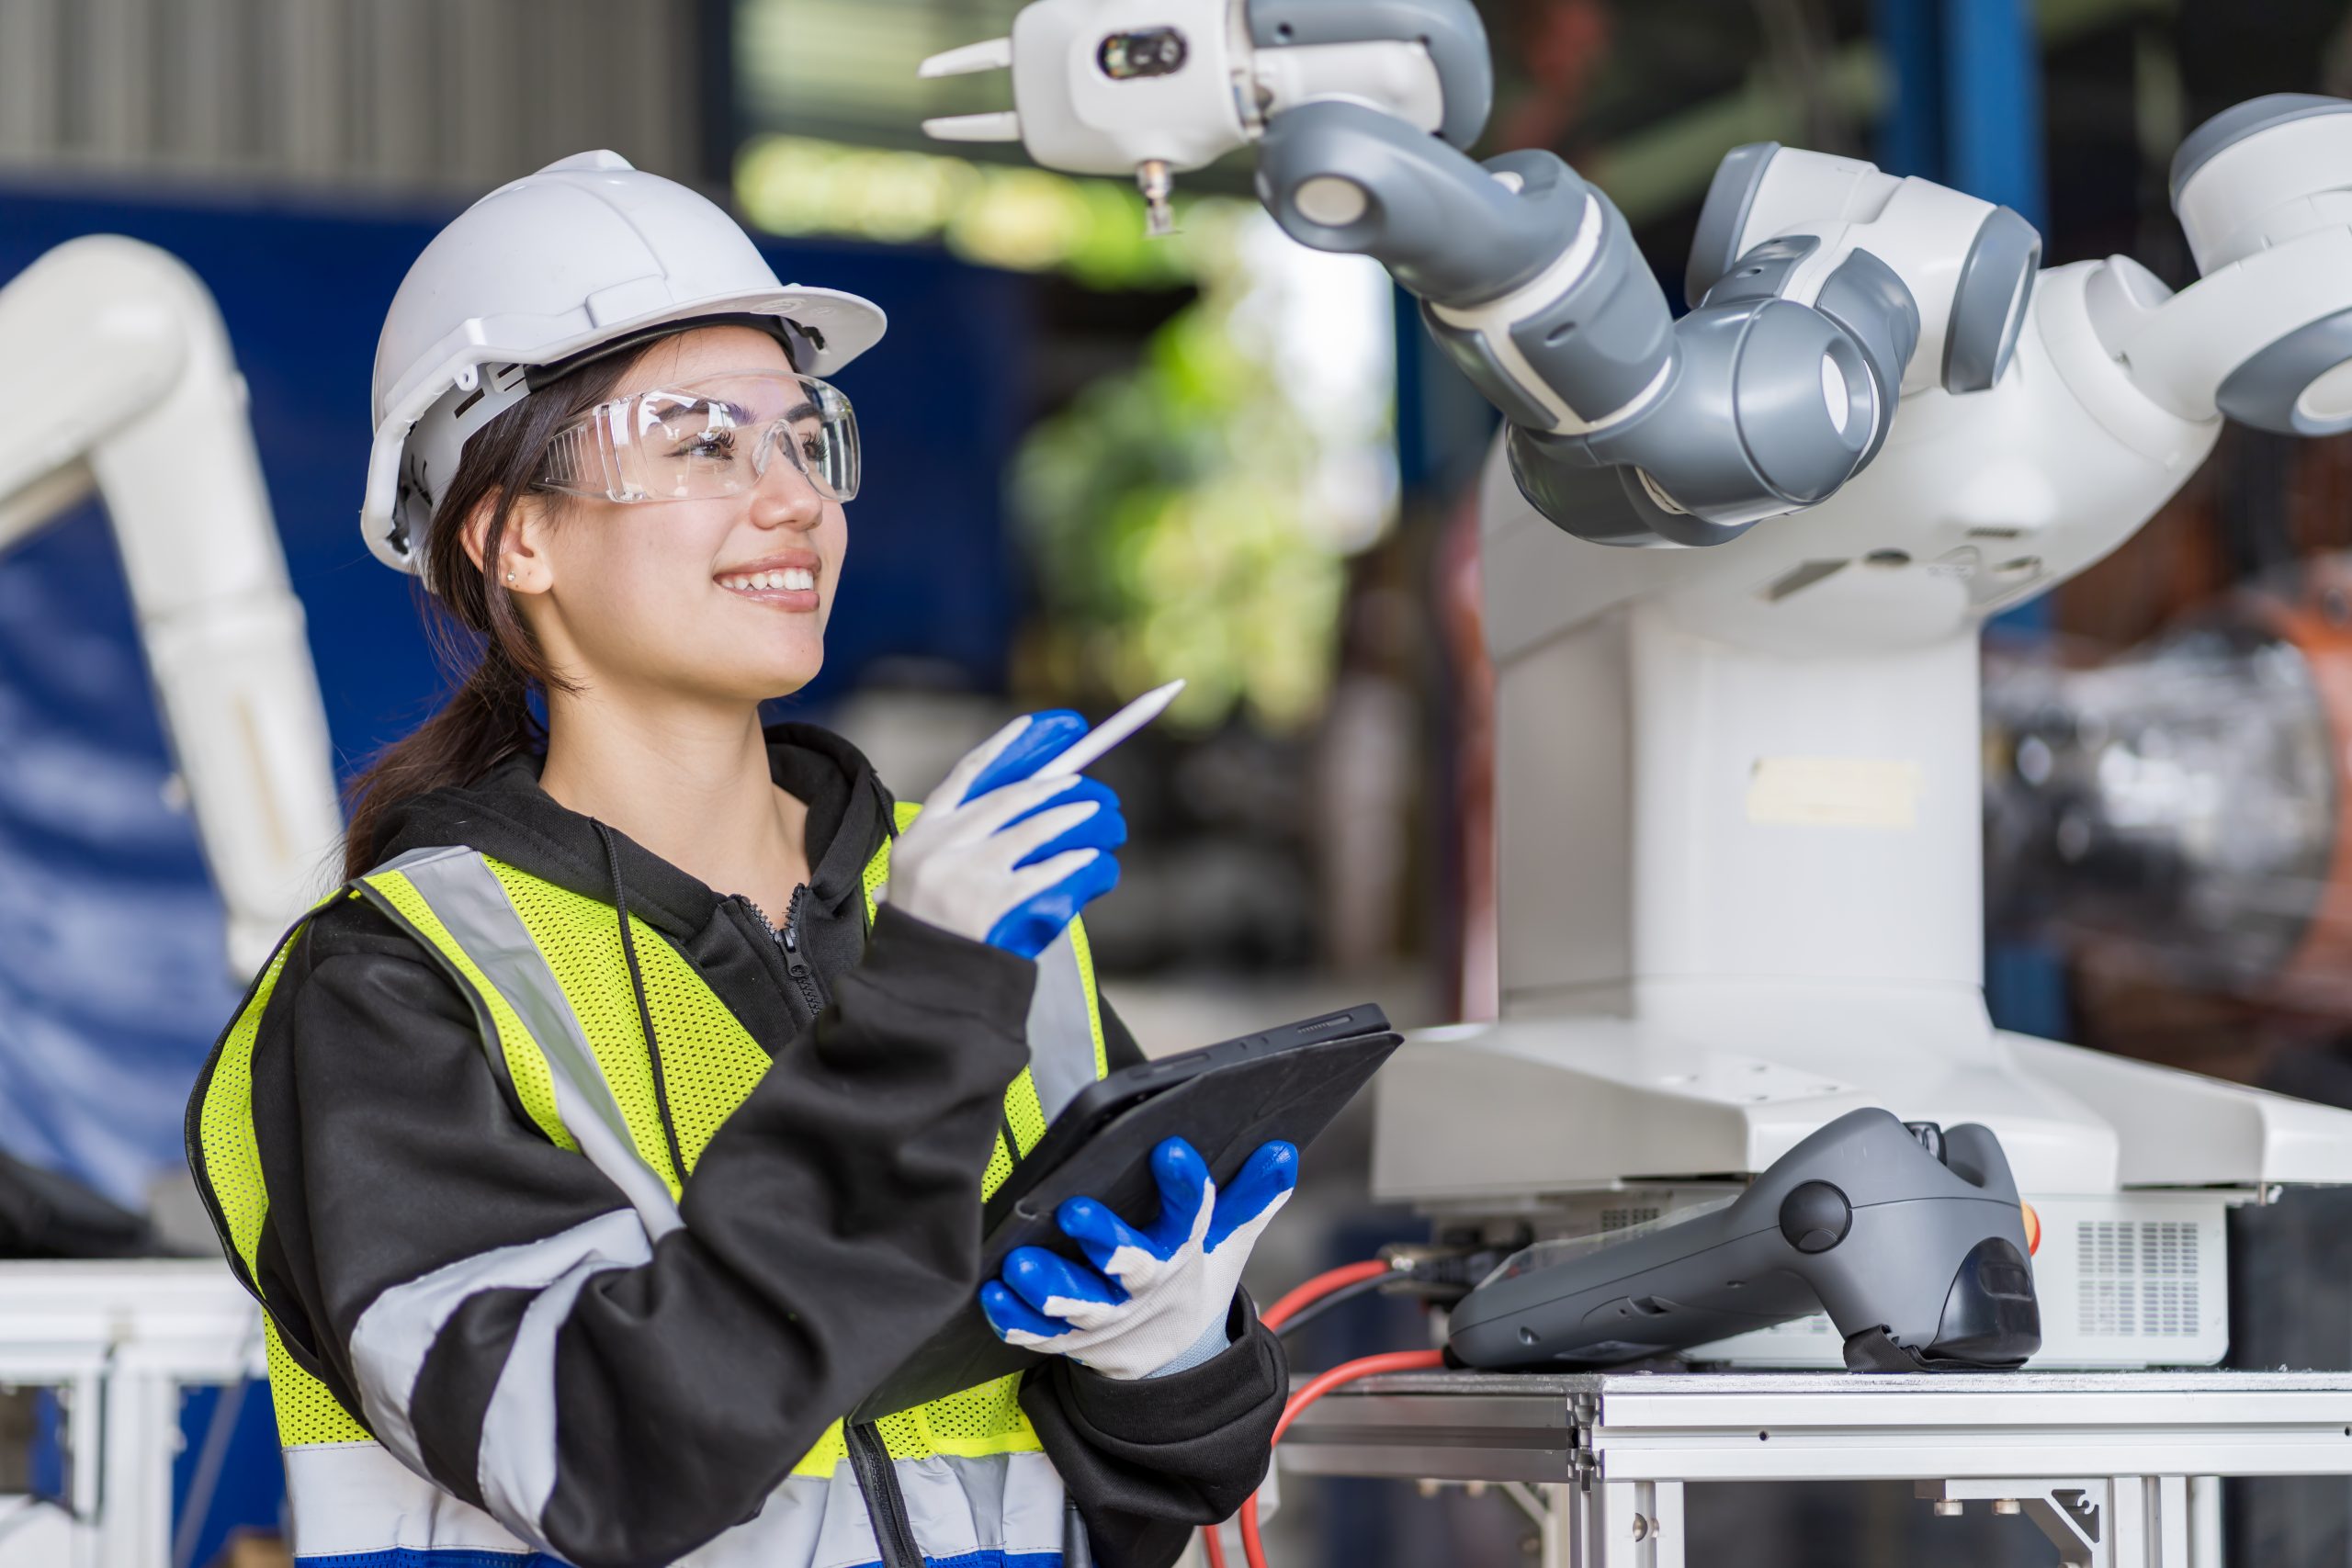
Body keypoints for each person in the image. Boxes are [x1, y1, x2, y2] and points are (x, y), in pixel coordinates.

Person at [185, 151, 1292, 1568]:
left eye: (804, 438)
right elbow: (606, 1460)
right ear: (515, 533)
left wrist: (1174, 1362)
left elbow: (1141, 1496)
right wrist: (920, 1016)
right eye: (705, 442)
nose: (796, 502)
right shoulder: (394, 990)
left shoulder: (958, 915)